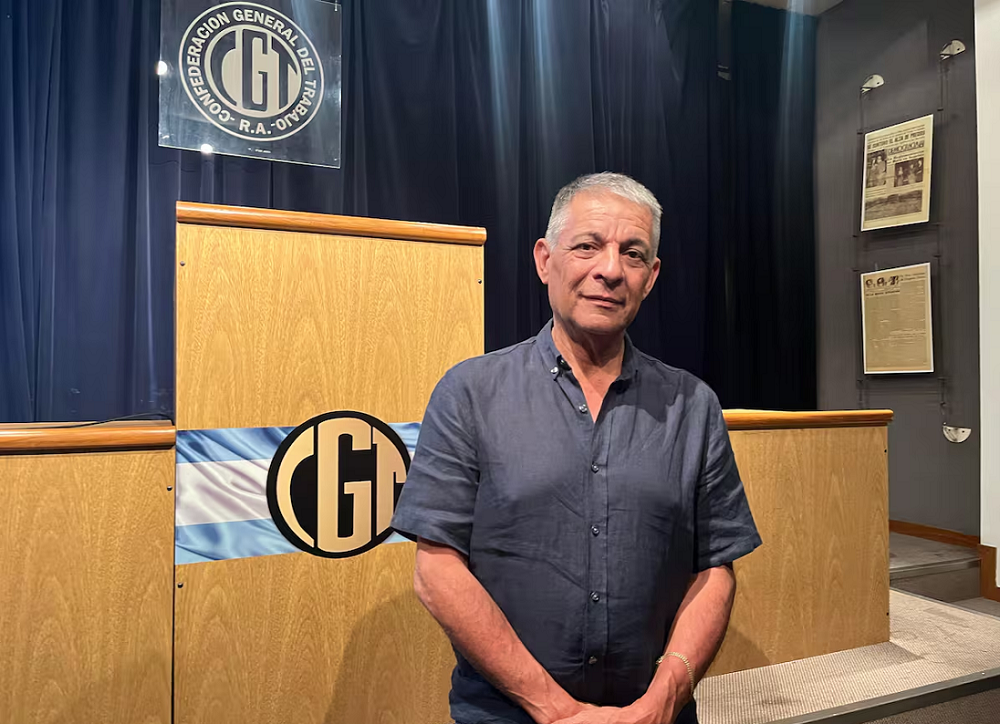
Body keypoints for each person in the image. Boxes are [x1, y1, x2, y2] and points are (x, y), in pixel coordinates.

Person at [391, 172, 761, 724]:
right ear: (545, 260)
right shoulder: (469, 393)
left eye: (632, 253)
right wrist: (555, 710)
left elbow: (714, 570)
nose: (610, 269)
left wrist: (662, 701)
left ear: (651, 276)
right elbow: (436, 571)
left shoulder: (693, 406)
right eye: (587, 245)